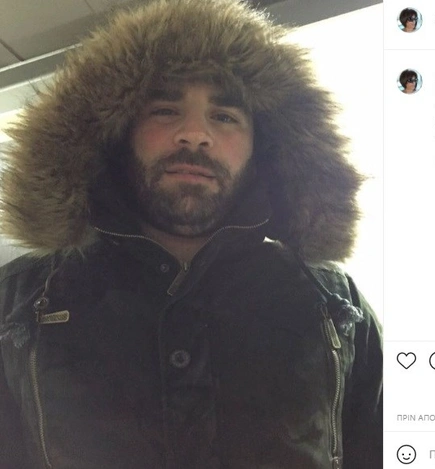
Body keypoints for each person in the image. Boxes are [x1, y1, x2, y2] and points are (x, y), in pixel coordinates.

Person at [0, 0, 383, 468]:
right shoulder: (19, 301)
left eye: (225, 116)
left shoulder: (334, 305)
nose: (194, 134)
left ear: (264, 147)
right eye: (164, 110)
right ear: (117, 134)